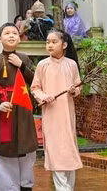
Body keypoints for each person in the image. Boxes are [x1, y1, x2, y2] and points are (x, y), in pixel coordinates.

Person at [0, 23, 38, 191]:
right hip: (4, 111)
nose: (11, 35)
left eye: (14, 32)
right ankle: (9, 186)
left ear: (19, 37)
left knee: (26, 145)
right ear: (0, 39)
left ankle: (26, 184)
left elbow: (35, 80)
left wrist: (21, 65)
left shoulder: (24, 58)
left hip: (22, 108)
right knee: (5, 149)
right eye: (7, 33)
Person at [31, 29, 83, 191]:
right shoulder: (42, 65)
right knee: (55, 153)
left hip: (67, 116)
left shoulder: (72, 64)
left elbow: (78, 86)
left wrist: (74, 90)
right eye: (47, 42)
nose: (50, 45)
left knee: (69, 153)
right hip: (51, 116)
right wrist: (44, 96)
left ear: (64, 44)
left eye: (54, 42)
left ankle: (69, 187)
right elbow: (35, 88)